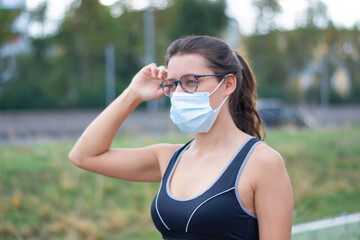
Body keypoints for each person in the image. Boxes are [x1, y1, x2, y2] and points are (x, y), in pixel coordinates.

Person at [69, 35, 293, 240]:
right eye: (173, 84)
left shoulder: (262, 163)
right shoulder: (168, 158)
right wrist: (133, 94)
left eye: (191, 82)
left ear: (228, 84)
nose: (179, 94)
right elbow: (84, 155)